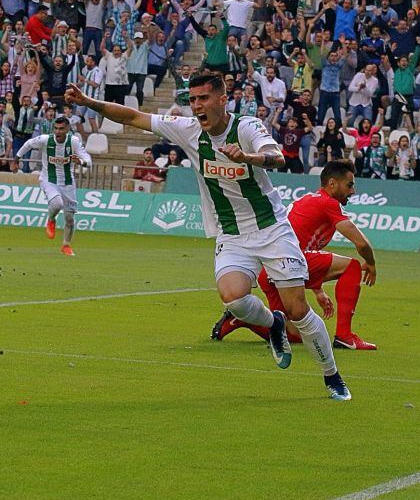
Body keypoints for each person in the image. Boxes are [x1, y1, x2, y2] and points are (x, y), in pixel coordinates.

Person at [64, 76, 352, 402]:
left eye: (204, 98)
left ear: (222, 99)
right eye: (193, 99)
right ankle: (273, 325)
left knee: (298, 309)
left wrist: (247, 158)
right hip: (231, 232)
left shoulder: (246, 127)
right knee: (234, 298)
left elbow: (276, 157)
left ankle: (332, 376)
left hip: (271, 229)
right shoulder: (187, 129)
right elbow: (132, 117)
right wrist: (88, 102)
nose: (197, 105)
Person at [212, 160, 378, 350]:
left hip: (270, 272)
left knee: (291, 335)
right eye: (349, 185)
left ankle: (244, 319)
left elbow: (305, 245)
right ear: (332, 183)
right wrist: (371, 264)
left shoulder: (310, 199)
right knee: (353, 266)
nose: (352, 191)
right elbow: (361, 243)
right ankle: (344, 336)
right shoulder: (328, 203)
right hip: (288, 264)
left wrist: (319, 291)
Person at [14, 117, 91, 256]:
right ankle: (51, 220)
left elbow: (88, 160)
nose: (58, 131)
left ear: (67, 129)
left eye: (61, 129)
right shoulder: (45, 139)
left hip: (68, 182)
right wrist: (16, 158)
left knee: (69, 218)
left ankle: (66, 245)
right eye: (56, 128)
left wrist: (81, 162)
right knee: (56, 203)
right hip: (48, 179)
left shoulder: (73, 141)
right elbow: (28, 144)